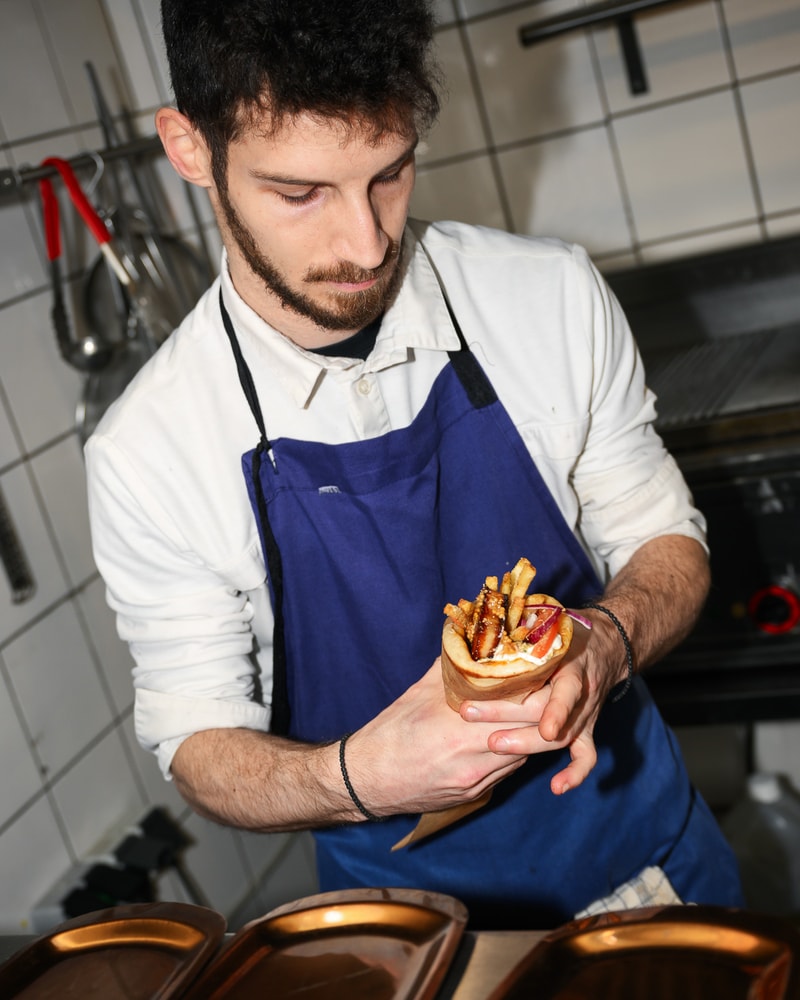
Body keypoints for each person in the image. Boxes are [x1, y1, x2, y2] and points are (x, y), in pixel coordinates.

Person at [85, 0, 743, 929]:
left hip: (646, 866)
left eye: (388, 174)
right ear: (190, 148)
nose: (365, 244)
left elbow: (665, 541)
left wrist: (606, 640)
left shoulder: (545, 295)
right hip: (405, 932)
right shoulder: (149, 449)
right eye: (300, 192)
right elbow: (198, 743)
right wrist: (351, 777)